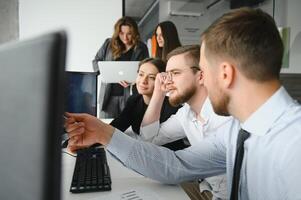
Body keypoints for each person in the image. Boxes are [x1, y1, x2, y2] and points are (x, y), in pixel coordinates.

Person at [66, 8, 301, 200]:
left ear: (225, 74)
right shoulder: (236, 132)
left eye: (205, 71)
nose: (203, 81)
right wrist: (103, 133)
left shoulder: (294, 144)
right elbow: (176, 165)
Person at [140, 45, 229, 200]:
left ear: (201, 76)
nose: (168, 81)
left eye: (175, 73)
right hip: (206, 189)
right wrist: (158, 94)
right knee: (148, 190)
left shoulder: (225, 116)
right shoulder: (186, 113)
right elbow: (149, 139)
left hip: (231, 195)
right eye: (167, 75)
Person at [109, 57, 186, 150]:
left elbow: (155, 141)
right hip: (144, 150)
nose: (143, 81)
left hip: (168, 154)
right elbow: (118, 125)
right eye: (141, 74)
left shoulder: (173, 106)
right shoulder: (134, 100)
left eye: (151, 77)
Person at [92, 16, 149, 118]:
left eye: (129, 34)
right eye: (122, 33)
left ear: (134, 33)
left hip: (131, 95)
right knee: (106, 128)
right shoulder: (108, 44)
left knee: (129, 129)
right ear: (117, 32)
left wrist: (135, 80)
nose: (125, 37)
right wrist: (106, 72)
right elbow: (96, 61)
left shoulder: (141, 47)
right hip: (108, 96)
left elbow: (147, 69)